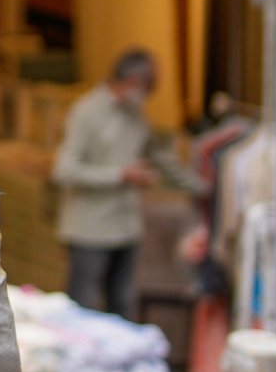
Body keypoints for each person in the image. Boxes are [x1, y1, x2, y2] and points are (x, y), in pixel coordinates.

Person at [52, 49, 199, 318]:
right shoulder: (87, 112)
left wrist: (200, 187)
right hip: (90, 230)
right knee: (83, 307)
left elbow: (161, 157)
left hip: (126, 227)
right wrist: (121, 175)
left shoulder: (136, 115)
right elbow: (65, 170)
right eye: (150, 83)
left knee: (122, 305)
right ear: (133, 80)